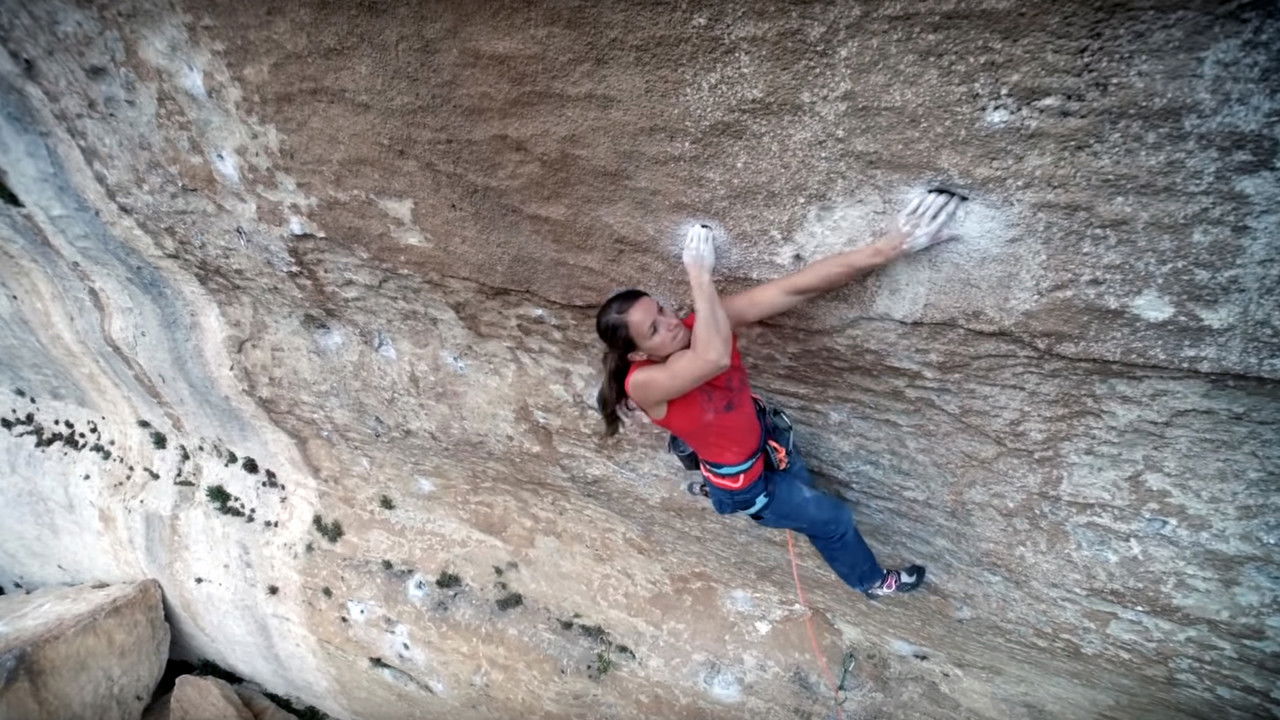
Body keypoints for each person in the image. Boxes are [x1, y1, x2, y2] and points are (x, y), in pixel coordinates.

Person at [594, 190, 962, 598]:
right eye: (654, 329)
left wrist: (886, 249)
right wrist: (699, 276)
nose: (670, 322)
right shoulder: (642, 382)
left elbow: (793, 290)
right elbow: (712, 359)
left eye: (661, 310)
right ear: (638, 354)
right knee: (832, 519)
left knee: (802, 486)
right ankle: (872, 582)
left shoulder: (705, 323)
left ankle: (717, 486)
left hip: (765, 442)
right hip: (747, 484)